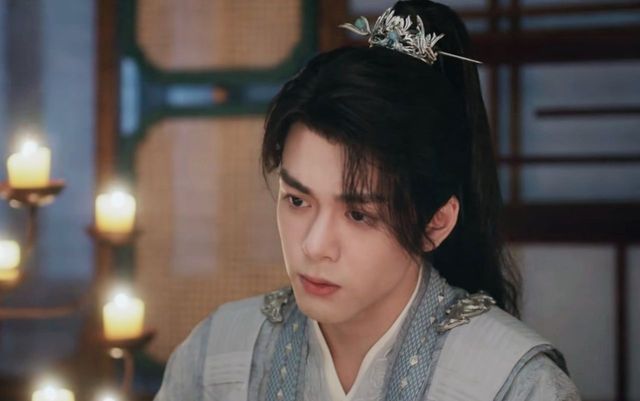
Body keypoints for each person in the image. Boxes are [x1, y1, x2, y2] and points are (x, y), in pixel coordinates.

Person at [154, 1, 581, 400]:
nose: (314, 246)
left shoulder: (517, 385)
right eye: (297, 200)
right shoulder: (213, 357)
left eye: (358, 214)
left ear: (435, 222)